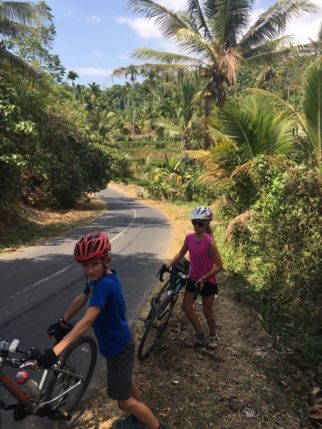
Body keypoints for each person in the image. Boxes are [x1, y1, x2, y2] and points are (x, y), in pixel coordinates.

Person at [36, 231, 168, 429]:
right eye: (85, 265)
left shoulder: (104, 285)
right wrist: (63, 321)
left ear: (106, 260)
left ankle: (156, 426)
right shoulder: (98, 279)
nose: (89, 270)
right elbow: (82, 297)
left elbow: (86, 322)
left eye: (94, 264)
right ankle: (137, 418)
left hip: (119, 348)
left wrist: (55, 352)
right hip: (116, 345)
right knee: (128, 381)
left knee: (123, 402)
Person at [164, 206, 223, 349]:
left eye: (200, 223)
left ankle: (213, 336)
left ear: (207, 224)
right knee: (186, 307)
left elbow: (219, 265)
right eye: (194, 222)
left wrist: (205, 277)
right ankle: (199, 335)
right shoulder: (189, 238)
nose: (197, 226)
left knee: (207, 310)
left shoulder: (210, 242)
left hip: (208, 281)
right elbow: (180, 254)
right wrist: (169, 263)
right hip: (193, 278)